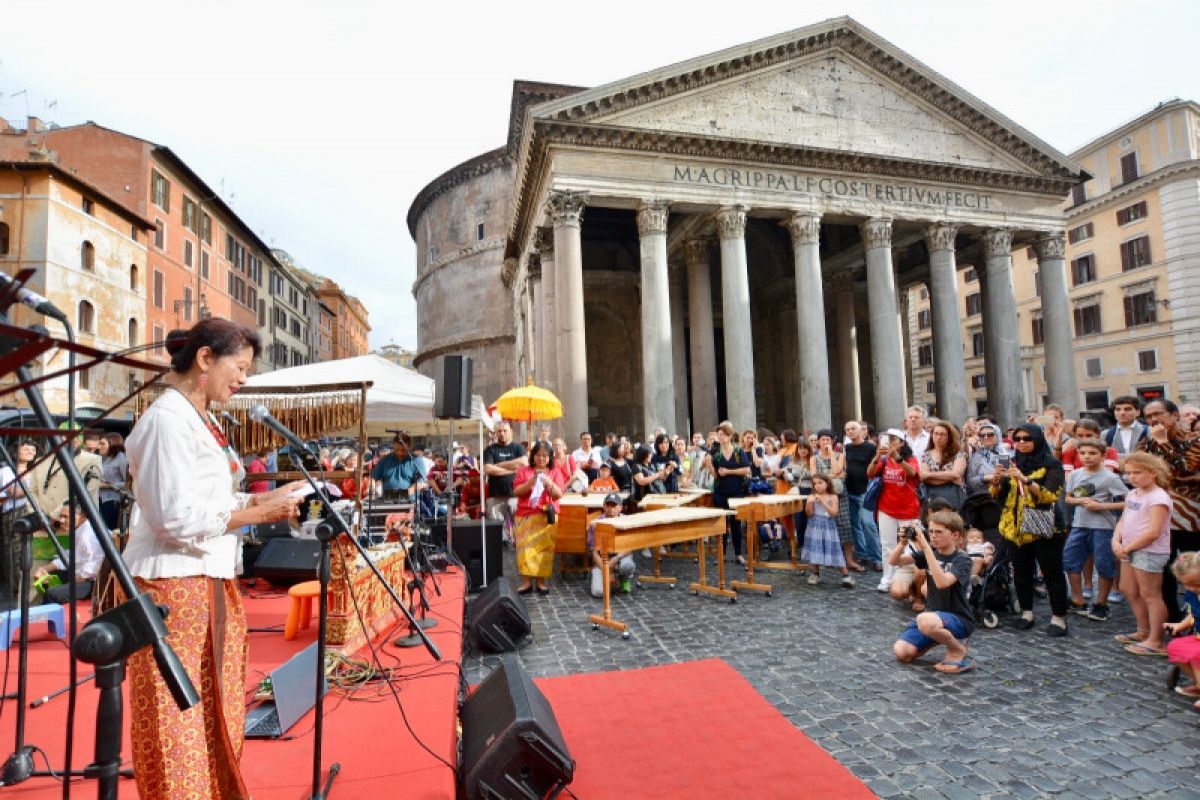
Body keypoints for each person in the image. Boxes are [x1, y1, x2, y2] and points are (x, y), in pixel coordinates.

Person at [123, 319, 302, 799]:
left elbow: (206, 501)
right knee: (176, 719)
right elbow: (174, 520)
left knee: (213, 709)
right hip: (173, 589)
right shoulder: (166, 420)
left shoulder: (199, 417)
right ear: (205, 359)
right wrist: (258, 510)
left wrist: (259, 500)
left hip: (205, 579)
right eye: (238, 367)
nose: (243, 379)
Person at [991, 423, 1069, 637]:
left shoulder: (1051, 464)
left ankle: (1059, 616)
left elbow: (1051, 495)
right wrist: (997, 480)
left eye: (1027, 438)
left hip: (1044, 526)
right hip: (1014, 527)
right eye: (1018, 439)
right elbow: (998, 495)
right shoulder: (1012, 462)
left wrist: (1025, 480)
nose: (1022, 442)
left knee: (1052, 572)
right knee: (1021, 571)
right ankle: (1027, 612)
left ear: (1037, 439)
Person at [1137, 398, 1200, 624]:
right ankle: (1172, 619)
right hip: (1159, 518)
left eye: (1159, 414)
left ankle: (1195, 619)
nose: (1154, 420)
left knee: (1194, 569)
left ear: (1175, 416)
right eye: (1149, 416)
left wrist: (1163, 444)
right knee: (1164, 571)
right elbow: (1140, 471)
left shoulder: (1195, 439)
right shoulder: (1146, 443)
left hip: (1191, 519)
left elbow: (1185, 470)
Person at [890, 511, 976, 673]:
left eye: (939, 532)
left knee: (925, 619)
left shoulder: (962, 559)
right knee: (902, 652)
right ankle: (940, 636)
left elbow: (942, 582)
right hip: (933, 617)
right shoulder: (929, 554)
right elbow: (894, 561)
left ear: (955, 535)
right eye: (930, 532)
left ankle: (957, 648)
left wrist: (926, 548)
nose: (933, 536)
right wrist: (902, 543)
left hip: (960, 619)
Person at [1112, 451, 1174, 656]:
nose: (1132, 477)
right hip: (1130, 548)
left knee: (1151, 595)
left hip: (1149, 551)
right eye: (1128, 473)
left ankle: (1156, 640)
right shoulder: (1133, 493)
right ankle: (1143, 631)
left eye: (1137, 472)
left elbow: (1154, 531)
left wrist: (1128, 547)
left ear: (1154, 473)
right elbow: (1124, 519)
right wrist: (1116, 540)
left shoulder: (1158, 497)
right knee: (1128, 589)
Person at [1062, 438, 1127, 622]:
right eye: (1083, 453)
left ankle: (1101, 604)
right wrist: (1080, 501)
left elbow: (1129, 501)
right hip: (1080, 524)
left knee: (1105, 564)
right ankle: (1078, 599)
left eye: (1092, 453)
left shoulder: (1110, 477)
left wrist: (1102, 506)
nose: (1087, 457)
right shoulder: (1075, 474)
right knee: (1070, 560)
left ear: (1103, 455)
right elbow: (1068, 498)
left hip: (1103, 527)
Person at [868, 435, 922, 595]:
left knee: (909, 546)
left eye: (894, 439)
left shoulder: (911, 458)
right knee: (887, 545)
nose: (890, 443)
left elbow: (912, 473)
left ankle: (908, 579)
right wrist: (877, 456)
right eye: (888, 439)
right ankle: (887, 578)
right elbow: (870, 473)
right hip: (886, 508)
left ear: (902, 442)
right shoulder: (884, 460)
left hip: (908, 509)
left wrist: (896, 458)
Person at [512, 440, 564, 595]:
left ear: (550, 457)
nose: (541, 459)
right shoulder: (524, 471)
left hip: (546, 516)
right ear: (533, 456)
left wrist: (549, 483)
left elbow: (559, 494)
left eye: (545, 456)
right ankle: (526, 582)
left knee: (544, 551)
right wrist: (531, 482)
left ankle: (541, 582)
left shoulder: (555, 472)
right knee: (525, 550)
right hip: (526, 515)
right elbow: (517, 491)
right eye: (538, 455)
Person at [811, 429, 861, 571]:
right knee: (824, 527)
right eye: (822, 439)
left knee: (845, 526)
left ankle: (849, 560)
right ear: (818, 442)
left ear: (833, 441)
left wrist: (832, 454)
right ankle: (828, 559)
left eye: (828, 439)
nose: (825, 442)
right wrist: (832, 476)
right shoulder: (813, 458)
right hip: (822, 496)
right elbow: (815, 477)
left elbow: (839, 470)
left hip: (840, 495)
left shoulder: (839, 455)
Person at [33, 503, 104, 603]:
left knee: (52, 593)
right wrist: (44, 568)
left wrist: (70, 584)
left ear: (83, 517)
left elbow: (94, 567)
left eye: (66, 517)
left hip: (92, 582)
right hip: (80, 574)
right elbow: (71, 556)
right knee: (46, 577)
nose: (61, 521)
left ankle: (54, 617)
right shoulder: (79, 530)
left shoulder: (87, 535)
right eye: (61, 516)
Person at [707, 421, 751, 565]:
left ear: (729, 436)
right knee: (721, 524)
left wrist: (729, 471)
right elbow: (715, 476)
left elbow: (746, 470)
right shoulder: (716, 453)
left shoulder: (739, 451)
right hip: (720, 491)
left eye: (722, 434)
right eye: (718, 434)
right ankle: (721, 553)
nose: (720, 437)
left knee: (736, 524)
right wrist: (709, 466)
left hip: (737, 491)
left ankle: (738, 553)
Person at [801, 474, 854, 588]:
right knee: (815, 548)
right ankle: (815, 573)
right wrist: (810, 502)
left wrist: (822, 502)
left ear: (827, 483)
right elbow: (809, 514)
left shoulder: (833, 496)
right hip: (814, 526)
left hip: (828, 527)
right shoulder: (812, 496)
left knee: (834, 549)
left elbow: (834, 513)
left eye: (820, 483)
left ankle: (845, 575)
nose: (818, 486)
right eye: (815, 484)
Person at [843, 421, 883, 571]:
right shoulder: (846, 448)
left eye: (853, 429)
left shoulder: (871, 447)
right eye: (847, 430)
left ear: (862, 431)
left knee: (868, 523)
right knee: (855, 524)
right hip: (850, 489)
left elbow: (877, 467)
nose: (850, 431)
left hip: (865, 490)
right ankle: (862, 554)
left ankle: (877, 557)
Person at [1165, 552, 1200, 709]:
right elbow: (1193, 615)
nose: (1190, 588)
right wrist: (1180, 626)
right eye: (1185, 584)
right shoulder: (1192, 594)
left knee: (1196, 654)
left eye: (1195, 584)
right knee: (1175, 647)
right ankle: (1198, 683)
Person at [482, 421, 526, 545]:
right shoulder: (490, 450)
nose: (502, 433)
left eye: (505, 430)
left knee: (520, 530)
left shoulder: (518, 448)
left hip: (515, 495)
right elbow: (488, 470)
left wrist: (499, 465)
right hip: (495, 497)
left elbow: (523, 463)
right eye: (499, 431)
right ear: (495, 433)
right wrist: (512, 469)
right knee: (497, 534)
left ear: (510, 431)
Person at [588, 492, 636, 597]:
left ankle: (624, 579)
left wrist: (616, 558)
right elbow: (594, 551)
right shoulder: (595, 524)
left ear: (620, 507)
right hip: (601, 560)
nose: (611, 508)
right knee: (598, 592)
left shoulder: (627, 521)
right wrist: (607, 572)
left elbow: (631, 546)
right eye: (608, 505)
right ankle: (604, 578)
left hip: (620, 557)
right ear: (604, 506)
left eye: (614, 505)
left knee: (627, 565)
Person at [920, 421, 967, 512]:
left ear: (949, 437)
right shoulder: (926, 454)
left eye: (943, 434)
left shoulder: (958, 454)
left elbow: (956, 474)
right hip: (932, 496)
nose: (939, 437)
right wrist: (950, 478)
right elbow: (923, 477)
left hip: (954, 496)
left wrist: (930, 475)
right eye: (936, 434)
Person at [371, 434, 428, 501]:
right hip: (388, 501)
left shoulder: (417, 460)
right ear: (393, 446)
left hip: (410, 501)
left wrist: (405, 493)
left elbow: (422, 482)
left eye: (404, 450)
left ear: (409, 446)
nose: (400, 453)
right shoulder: (384, 460)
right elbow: (374, 478)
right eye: (397, 450)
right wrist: (373, 489)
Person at [96, 432, 129, 531]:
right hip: (100, 499)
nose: (99, 446)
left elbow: (128, 483)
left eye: (102, 444)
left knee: (109, 530)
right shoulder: (103, 459)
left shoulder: (121, 459)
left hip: (113, 501)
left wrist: (107, 485)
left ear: (112, 443)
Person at [1104, 396, 1148, 466]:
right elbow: (1103, 457)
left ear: (1137, 412)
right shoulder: (1106, 434)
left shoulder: (1149, 431)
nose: (1122, 413)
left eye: (1127, 409)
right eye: (1118, 409)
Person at [965, 422, 1006, 496]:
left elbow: (1006, 478)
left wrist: (996, 478)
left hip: (1002, 497)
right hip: (982, 498)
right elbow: (970, 481)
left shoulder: (1003, 454)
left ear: (997, 436)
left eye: (990, 434)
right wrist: (985, 478)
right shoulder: (976, 456)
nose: (986, 437)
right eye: (982, 435)